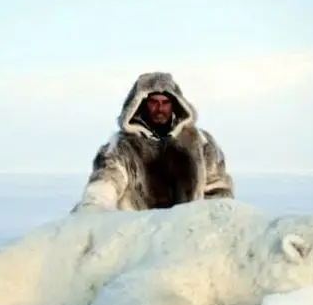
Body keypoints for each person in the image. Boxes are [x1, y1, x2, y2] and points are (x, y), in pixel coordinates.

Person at [71, 71, 234, 213]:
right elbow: (105, 185)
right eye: (153, 102)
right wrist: (92, 210)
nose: (160, 108)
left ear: (175, 105)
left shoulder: (199, 143)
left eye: (165, 102)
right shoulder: (121, 148)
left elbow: (218, 191)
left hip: (188, 240)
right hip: (140, 242)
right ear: (140, 104)